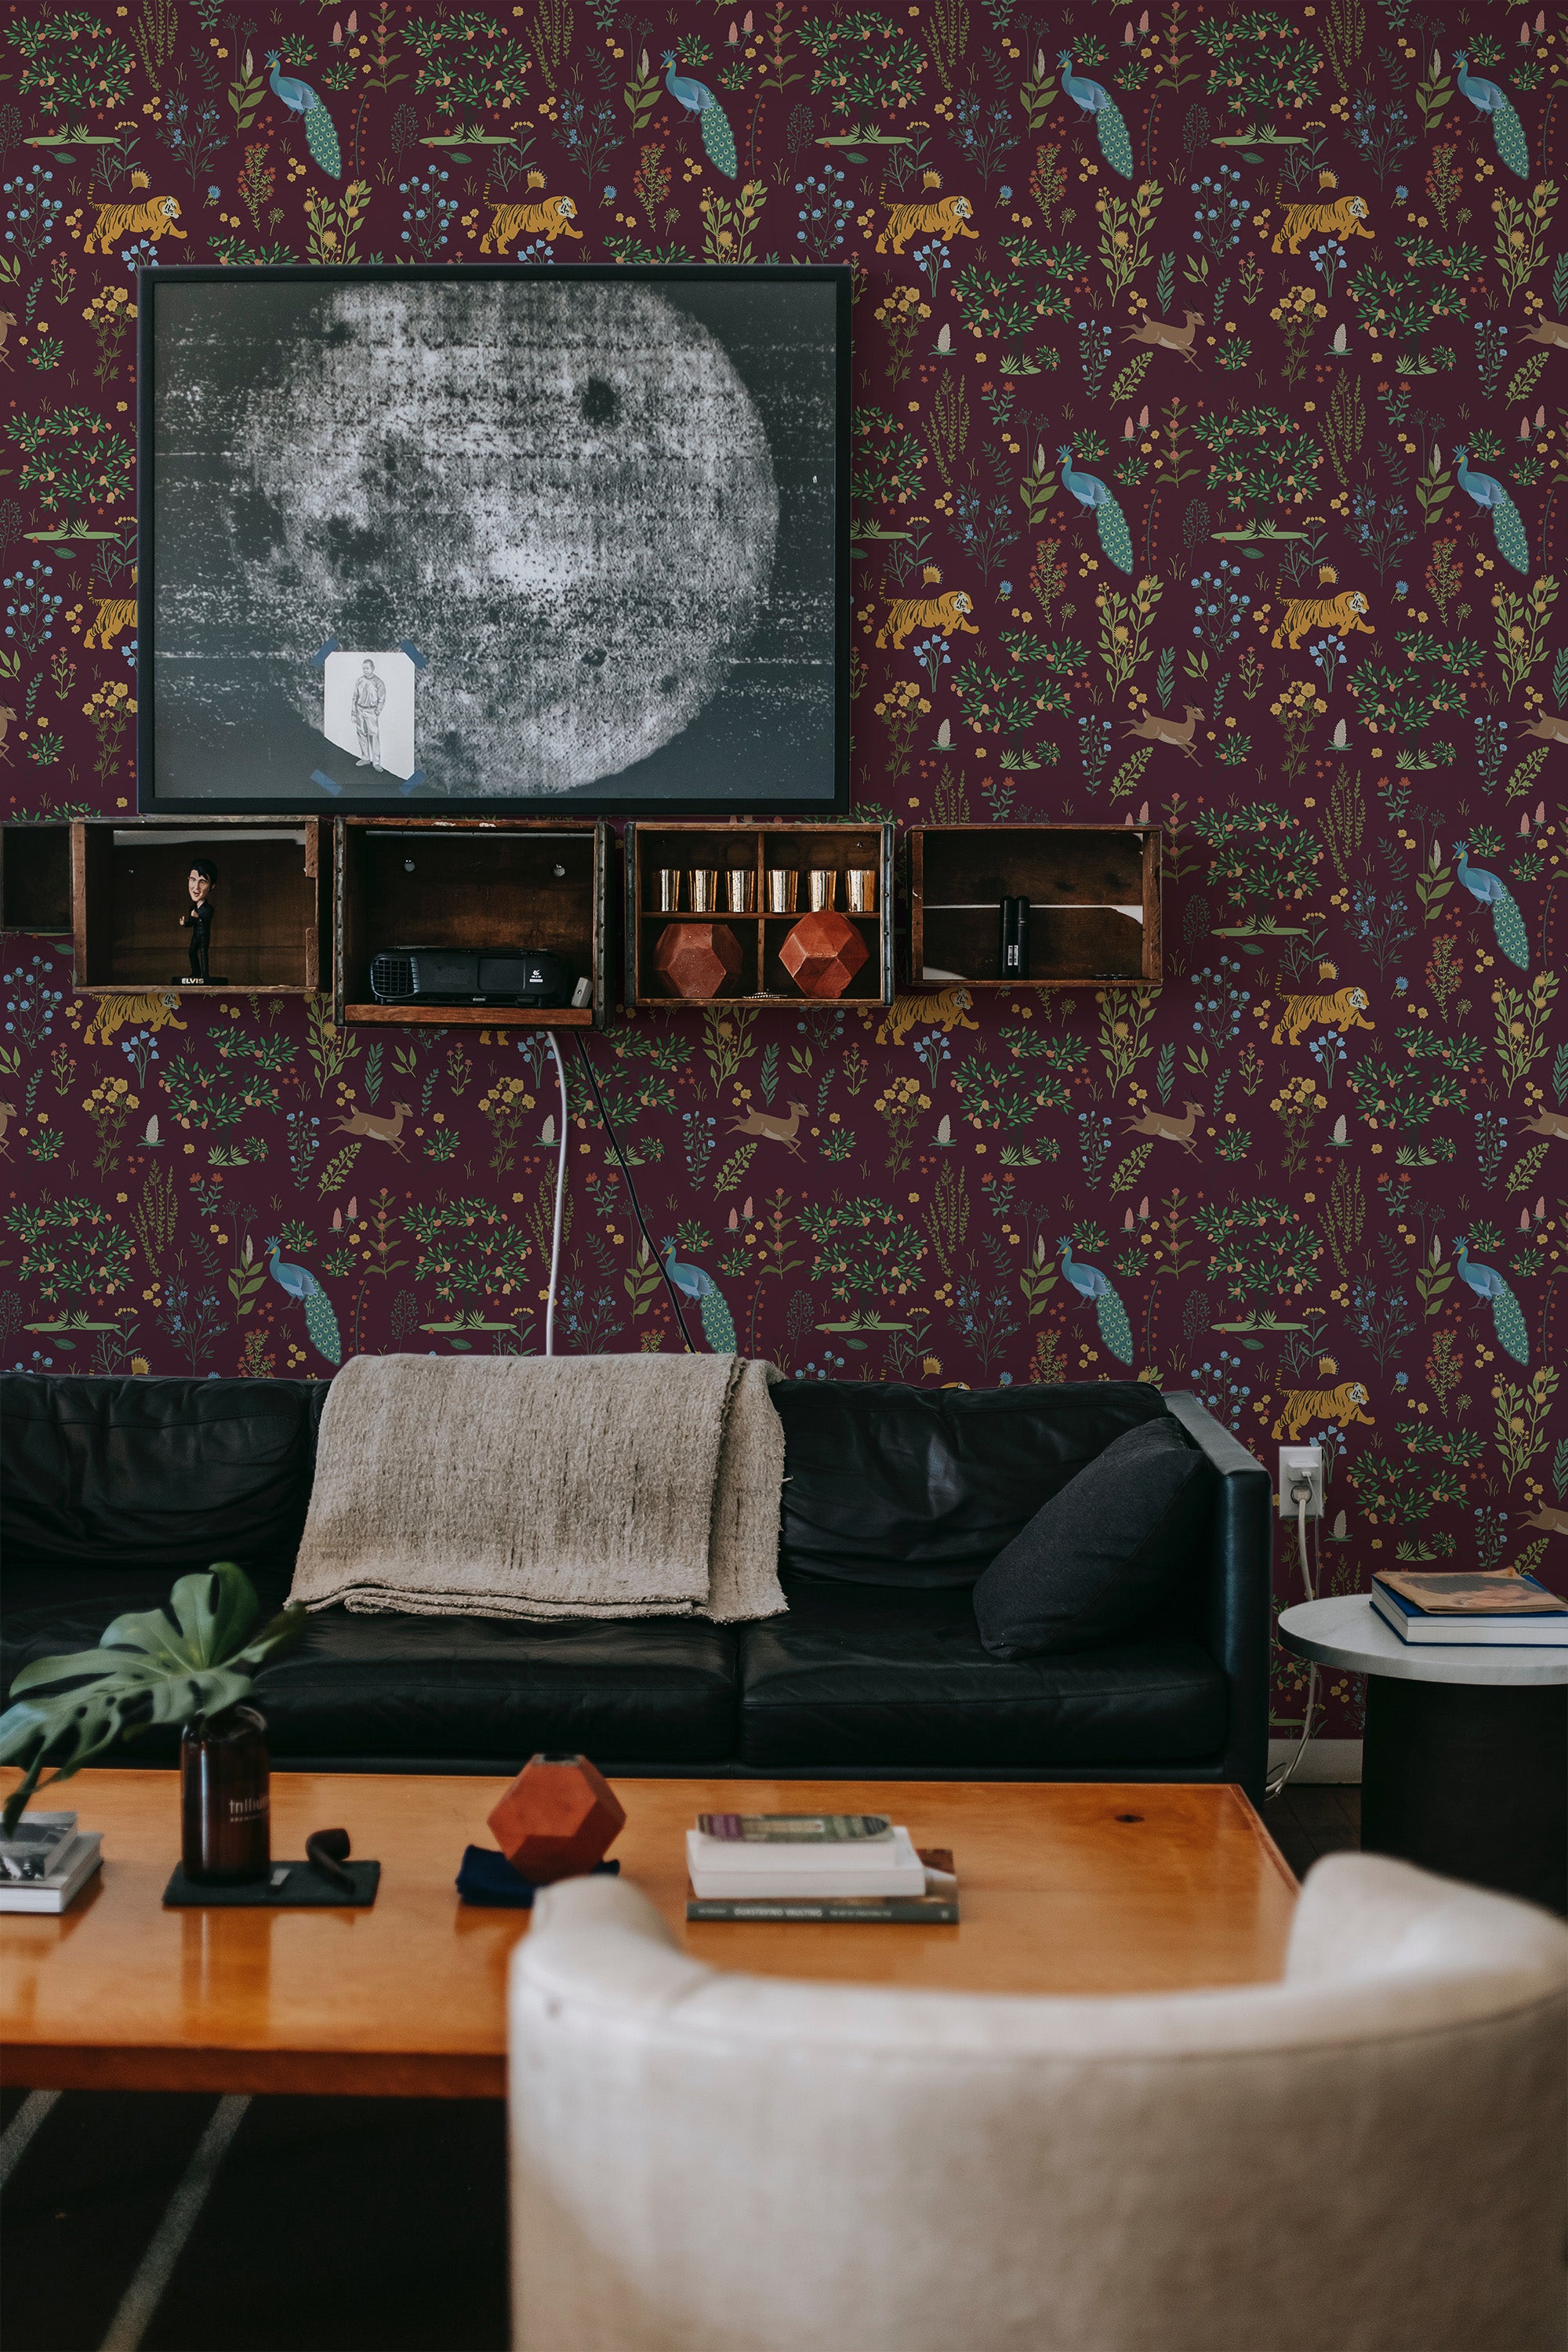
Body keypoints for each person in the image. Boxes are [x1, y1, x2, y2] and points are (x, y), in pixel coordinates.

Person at [176, 858, 217, 984]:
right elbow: (192, 922)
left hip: (204, 935)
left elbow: (205, 920)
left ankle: (205, 975)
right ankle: (196, 973)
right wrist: (186, 923)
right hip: (196, 934)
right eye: (193, 880)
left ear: (212, 886)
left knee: (204, 953)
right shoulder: (193, 907)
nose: (196, 887)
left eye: (203, 882)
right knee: (192, 951)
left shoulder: (208, 908)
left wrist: (197, 917)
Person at [352, 659, 387, 771]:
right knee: (361, 734)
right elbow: (355, 698)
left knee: (374, 737)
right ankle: (365, 758)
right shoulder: (359, 681)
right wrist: (354, 713)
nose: (365, 670)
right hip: (360, 710)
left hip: (371, 712)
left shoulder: (379, 682)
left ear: (372, 668)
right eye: (364, 668)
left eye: (367, 668)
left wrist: (377, 711)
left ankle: (376, 762)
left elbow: (382, 699)